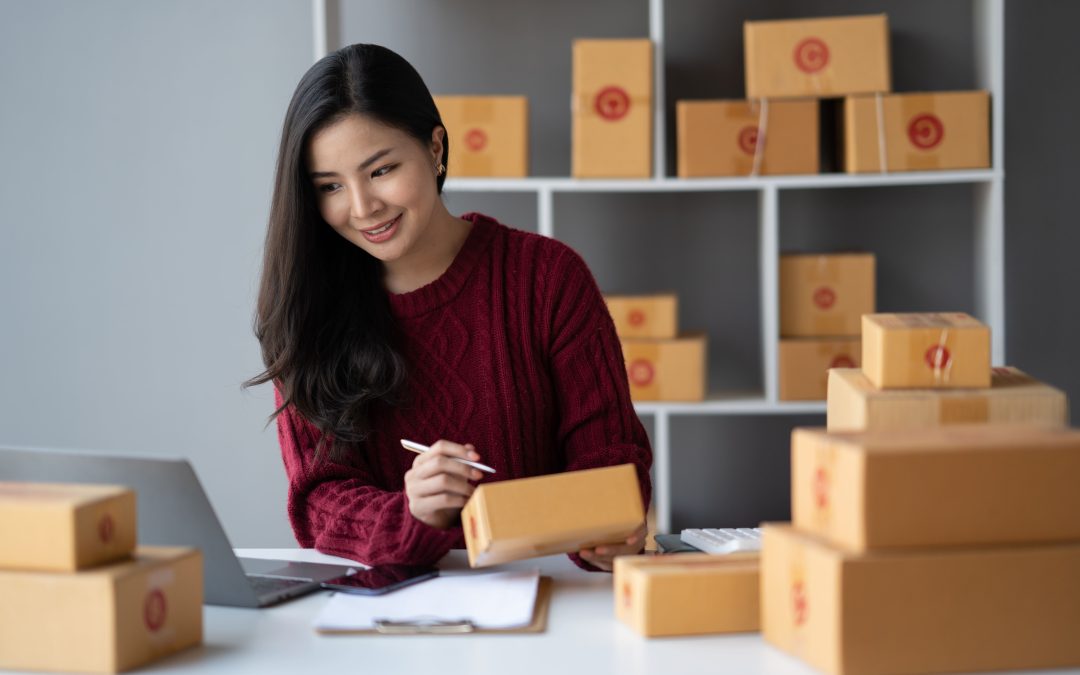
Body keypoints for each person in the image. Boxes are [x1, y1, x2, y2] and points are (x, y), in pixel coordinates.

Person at [245, 43, 652, 572]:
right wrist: (412, 514)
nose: (363, 208)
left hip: (551, 598)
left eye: (382, 169)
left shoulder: (548, 278)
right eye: (330, 187)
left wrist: (607, 531)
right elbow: (319, 503)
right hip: (389, 608)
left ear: (435, 147)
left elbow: (610, 459)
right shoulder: (307, 311)